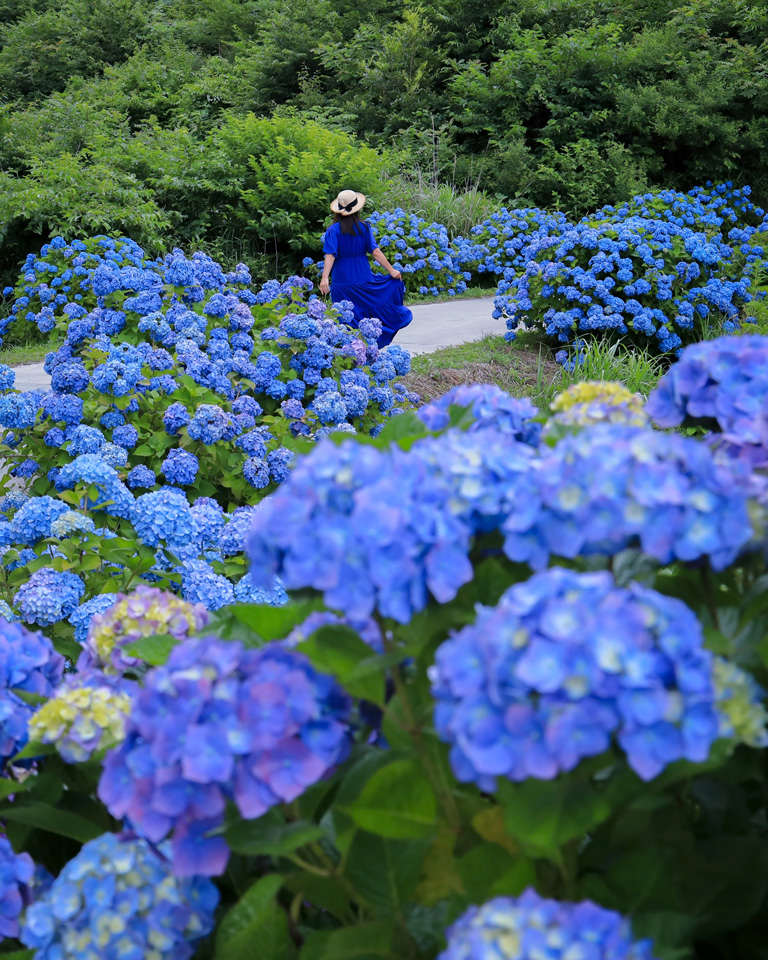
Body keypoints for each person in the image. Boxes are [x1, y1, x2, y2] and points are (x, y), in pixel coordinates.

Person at [319, 189, 413, 348]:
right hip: (362, 276)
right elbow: (375, 252)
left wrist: (324, 278)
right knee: (367, 309)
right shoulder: (364, 228)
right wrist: (392, 271)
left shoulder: (333, 230)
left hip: (341, 280)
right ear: (357, 209)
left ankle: (349, 353)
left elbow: (330, 255)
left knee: (346, 318)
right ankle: (366, 350)